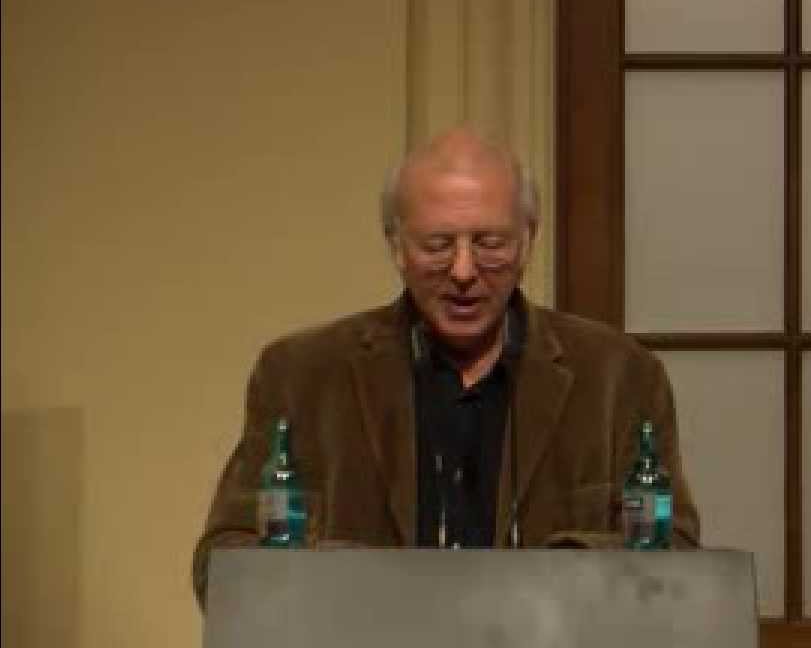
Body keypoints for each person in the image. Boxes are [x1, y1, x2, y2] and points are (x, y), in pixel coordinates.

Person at [192, 128, 700, 605]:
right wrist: (369, 581)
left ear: (527, 240)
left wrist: (547, 575)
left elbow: (673, 560)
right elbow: (225, 565)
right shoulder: (302, 375)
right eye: (437, 245)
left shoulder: (618, 375)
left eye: (489, 243)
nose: (463, 271)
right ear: (396, 246)